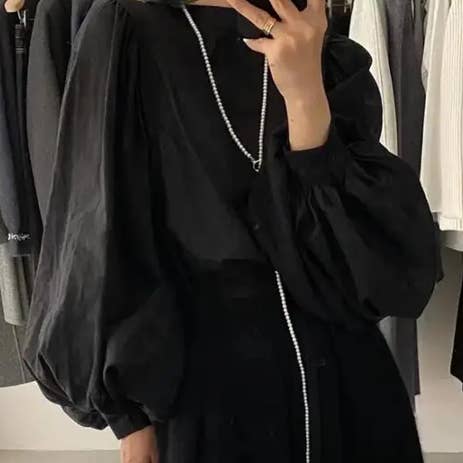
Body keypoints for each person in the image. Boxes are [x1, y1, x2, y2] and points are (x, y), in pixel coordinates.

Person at [22, 0, 439, 462]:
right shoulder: (125, 29)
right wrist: (130, 419)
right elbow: (95, 234)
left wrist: (305, 95)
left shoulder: (303, 24)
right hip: (207, 395)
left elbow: (371, 258)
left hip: (351, 390)